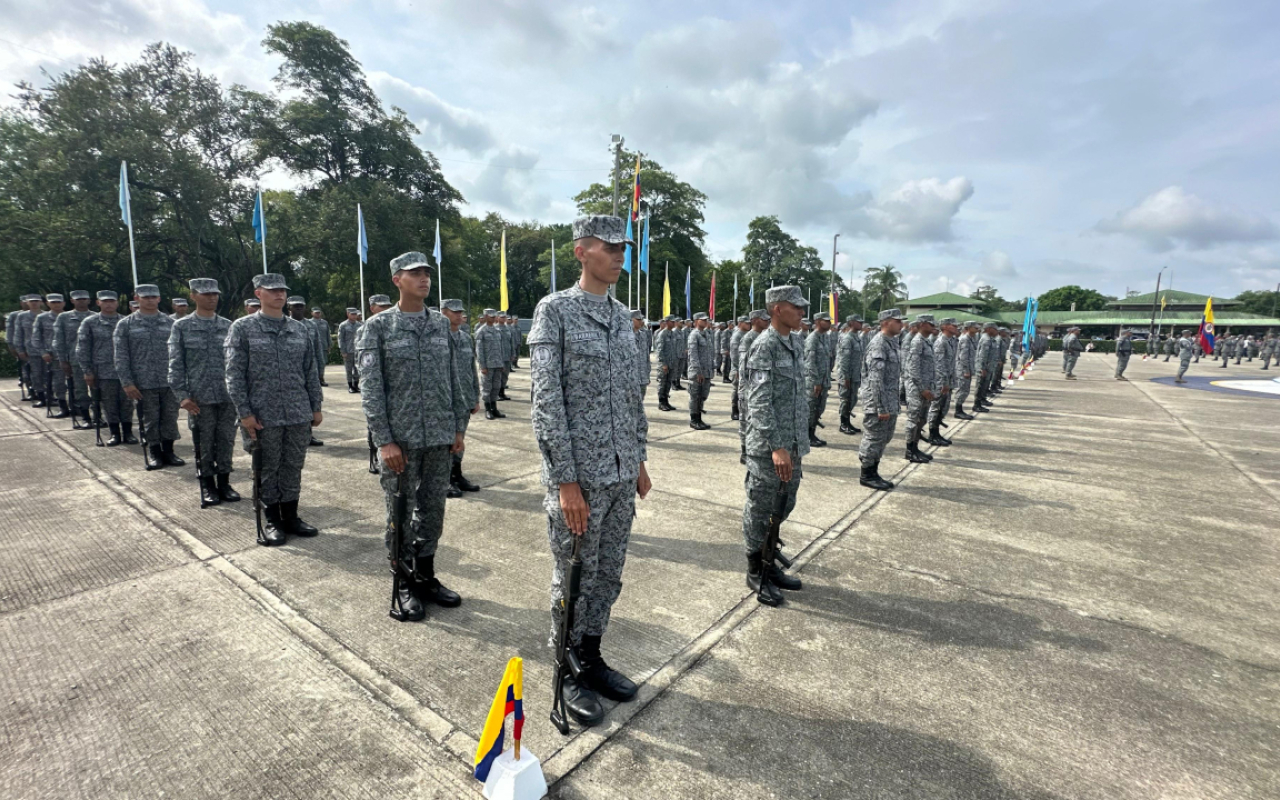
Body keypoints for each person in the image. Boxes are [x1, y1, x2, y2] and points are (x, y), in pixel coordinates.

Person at [528, 214, 650, 729]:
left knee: (607, 575)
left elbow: (631, 392)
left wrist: (639, 459)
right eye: (610, 248)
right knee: (574, 576)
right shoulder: (554, 311)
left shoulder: (623, 317)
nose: (620, 257)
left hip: (621, 473)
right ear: (582, 252)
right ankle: (566, 669)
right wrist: (566, 482)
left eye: (623, 250)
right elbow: (547, 402)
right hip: (579, 478)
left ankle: (592, 657)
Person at [359, 253, 469, 617]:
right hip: (400, 442)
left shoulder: (440, 325)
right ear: (396, 281)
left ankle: (426, 575)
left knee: (433, 511)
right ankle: (404, 581)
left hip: (439, 436)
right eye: (415, 273)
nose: (424, 278)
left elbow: (452, 378)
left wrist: (457, 427)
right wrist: (384, 440)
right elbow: (372, 389)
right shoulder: (377, 328)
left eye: (426, 273)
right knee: (400, 513)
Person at [225, 273, 324, 546]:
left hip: (297, 412)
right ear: (259, 294)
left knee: (293, 465)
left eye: (282, 290)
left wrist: (315, 406)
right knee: (267, 468)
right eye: (272, 291)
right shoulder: (243, 328)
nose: (279, 295)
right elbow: (234, 374)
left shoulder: (299, 329)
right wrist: (244, 412)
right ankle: (271, 520)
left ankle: (291, 516)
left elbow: (310, 371)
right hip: (262, 414)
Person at [740, 286, 808, 607]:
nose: (802, 313)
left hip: (792, 444)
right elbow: (759, 403)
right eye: (797, 308)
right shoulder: (763, 346)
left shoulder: (795, 342)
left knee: (784, 505)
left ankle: (770, 558)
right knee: (761, 507)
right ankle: (756, 570)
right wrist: (777, 446)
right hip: (769, 447)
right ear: (778, 309)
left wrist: (794, 444)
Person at [169, 278, 239, 505]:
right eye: (206, 294)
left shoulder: (228, 325)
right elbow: (176, 363)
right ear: (193, 296)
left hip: (227, 396)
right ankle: (207, 485)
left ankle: (224, 483)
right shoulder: (181, 326)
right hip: (199, 397)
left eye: (215, 294)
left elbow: (238, 363)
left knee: (227, 440)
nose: (212, 298)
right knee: (204, 443)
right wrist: (182, 396)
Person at [115, 284, 184, 470]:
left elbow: (180, 353)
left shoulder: (171, 323)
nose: (150, 300)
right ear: (136, 298)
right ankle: (154, 451)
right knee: (150, 418)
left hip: (169, 380)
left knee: (170, 416)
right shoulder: (126, 324)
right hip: (143, 382)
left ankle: (169, 451)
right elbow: (121, 356)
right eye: (145, 297)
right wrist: (127, 382)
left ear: (159, 299)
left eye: (154, 297)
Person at [77, 291, 137, 445]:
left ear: (117, 303)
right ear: (98, 303)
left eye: (112, 301)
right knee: (109, 404)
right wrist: (87, 371)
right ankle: (115, 433)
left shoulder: (127, 321)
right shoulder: (90, 322)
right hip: (103, 371)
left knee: (127, 403)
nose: (109, 304)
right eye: (105, 301)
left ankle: (128, 432)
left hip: (125, 371)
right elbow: (83, 348)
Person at [859, 309, 904, 491]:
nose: (901, 324)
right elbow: (875, 379)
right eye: (897, 321)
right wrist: (881, 407)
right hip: (878, 402)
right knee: (874, 437)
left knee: (884, 437)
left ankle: (874, 471)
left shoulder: (891, 343)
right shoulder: (879, 344)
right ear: (885, 322)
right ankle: (866, 474)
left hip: (889, 399)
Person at [442, 299, 482, 498]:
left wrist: (475, 396)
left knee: (460, 438)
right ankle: (445, 479)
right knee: (446, 440)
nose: (459, 315)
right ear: (443, 312)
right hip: (444, 397)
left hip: (464, 398)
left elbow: (471, 369)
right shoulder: (438, 338)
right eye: (454, 312)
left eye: (460, 312)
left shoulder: (466, 338)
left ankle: (457, 475)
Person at [52, 290, 94, 427]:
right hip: (75, 360)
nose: (81, 301)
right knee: (80, 389)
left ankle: (98, 416)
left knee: (98, 390)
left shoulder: (96, 316)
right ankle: (86, 417)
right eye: (78, 299)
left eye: (84, 299)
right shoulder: (64, 317)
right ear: (72, 301)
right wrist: (63, 360)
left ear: (89, 300)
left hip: (97, 360)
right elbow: (59, 340)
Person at [288, 297, 326, 446]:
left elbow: (317, 348)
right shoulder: (284, 324)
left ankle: (308, 435)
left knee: (310, 406)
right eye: (295, 306)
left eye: (301, 306)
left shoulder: (311, 326)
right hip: (291, 373)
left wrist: (320, 369)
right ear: (289, 308)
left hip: (309, 372)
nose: (298, 309)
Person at [902, 314, 937, 464]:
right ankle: (909, 450)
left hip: (925, 387)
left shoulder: (926, 341)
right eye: (930, 324)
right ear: (922, 324)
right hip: (917, 388)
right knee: (914, 419)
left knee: (922, 418)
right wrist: (922, 389)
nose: (933, 326)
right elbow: (913, 369)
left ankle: (915, 447)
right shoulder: (917, 342)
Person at [737, 309, 769, 463]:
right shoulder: (748, 338)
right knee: (746, 422)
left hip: (758, 389)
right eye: (763, 319)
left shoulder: (763, 337)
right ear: (755, 320)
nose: (767, 321)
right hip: (748, 389)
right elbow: (744, 368)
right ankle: (745, 452)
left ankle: (753, 450)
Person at [32, 293, 70, 418]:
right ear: (48, 304)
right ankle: (63, 407)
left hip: (73, 356)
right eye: (53, 302)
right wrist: (43, 352)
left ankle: (77, 406)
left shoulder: (70, 316)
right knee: (58, 383)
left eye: (59, 302)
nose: (56, 304)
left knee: (76, 383)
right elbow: (36, 338)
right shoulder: (42, 318)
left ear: (64, 303)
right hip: (54, 356)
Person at [927, 318, 957, 446]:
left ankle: (937, 432)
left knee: (943, 408)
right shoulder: (941, 342)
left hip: (947, 380)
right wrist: (944, 382)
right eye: (952, 325)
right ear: (944, 327)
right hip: (941, 381)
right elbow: (939, 365)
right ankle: (932, 434)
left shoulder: (950, 341)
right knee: (936, 407)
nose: (956, 326)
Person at [13, 295, 45, 407]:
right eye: (32, 302)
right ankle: (40, 396)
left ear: (41, 302)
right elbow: (18, 334)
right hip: (30, 351)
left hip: (47, 350)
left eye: (36, 301)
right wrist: (20, 350)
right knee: (35, 375)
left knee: (50, 375)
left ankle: (51, 396)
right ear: (27, 303)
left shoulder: (47, 315)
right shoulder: (22, 316)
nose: (34, 303)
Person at [836, 314, 865, 435]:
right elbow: (844, 360)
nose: (861, 324)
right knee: (846, 400)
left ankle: (848, 422)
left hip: (855, 375)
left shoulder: (856, 337)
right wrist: (845, 377)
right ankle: (843, 424)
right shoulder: (848, 338)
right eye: (858, 322)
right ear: (851, 323)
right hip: (848, 376)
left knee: (852, 399)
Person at [475, 309, 507, 420]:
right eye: (491, 316)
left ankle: (494, 408)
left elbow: (500, 348)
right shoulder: (481, 331)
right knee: (486, 388)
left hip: (497, 364)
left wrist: (502, 362)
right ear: (485, 316)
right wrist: (482, 366)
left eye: (494, 316)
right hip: (488, 365)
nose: (493, 318)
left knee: (496, 387)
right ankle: (487, 409)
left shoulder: (497, 331)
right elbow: (479, 350)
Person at [686, 312, 715, 430]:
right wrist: (698, 372)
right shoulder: (694, 335)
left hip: (706, 371)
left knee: (703, 395)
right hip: (697, 373)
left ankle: (699, 418)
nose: (705, 321)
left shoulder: (706, 334)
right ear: (696, 321)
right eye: (702, 320)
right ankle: (694, 419)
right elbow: (693, 355)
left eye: (706, 320)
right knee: (695, 396)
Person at [953, 320, 978, 420]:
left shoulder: (971, 339)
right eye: (974, 327)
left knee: (965, 390)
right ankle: (958, 411)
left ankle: (960, 409)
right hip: (963, 370)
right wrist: (966, 370)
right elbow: (963, 357)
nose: (977, 328)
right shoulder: (965, 339)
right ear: (968, 328)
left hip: (968, 369)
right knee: (962, 390)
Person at [655, 316, 680, 412]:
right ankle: (661, 402)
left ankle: (666, 401)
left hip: (672, 363)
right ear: (667, 322)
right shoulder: (662, 334)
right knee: (662, 383)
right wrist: (664, 364)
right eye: (672, 322)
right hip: (664, 364)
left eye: (674, 322)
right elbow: (660, 350)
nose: (674, 323)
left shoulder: (672, 334)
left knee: (668, 383)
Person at [728, 316, 749, 420]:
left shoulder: (746, 335)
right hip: (737, 368)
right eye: (746, 323)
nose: (748, 324)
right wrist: (736, 368)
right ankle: (734, 410)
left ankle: (742, 410)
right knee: (736, 389)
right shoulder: (737, 336)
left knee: (743, 390)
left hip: (746, 367)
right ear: (740, 323)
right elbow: (734, 354)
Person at [338, 308, 363, 392]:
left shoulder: (359, 325)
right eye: (352, 314)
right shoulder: (343, 325)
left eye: (355, 314)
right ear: (348, 314)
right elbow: (341, 339)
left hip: (357, 351)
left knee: (357, 369)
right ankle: (350, 386)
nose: (354, 316)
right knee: (348, 369)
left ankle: (356, 385)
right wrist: (343, 351)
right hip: (348, 351)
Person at [632, 311, 651, 401]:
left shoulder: (643, 335)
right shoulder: (624, 336)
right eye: (638, 319)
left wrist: (647, 374)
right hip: (631, 378)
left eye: (641, 319)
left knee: (641, 400)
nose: (641, 322)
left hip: (643, 376)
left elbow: (646, 355)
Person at [310, 307, 332, 387]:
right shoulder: (309, 323)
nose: (317, 314)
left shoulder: (324, 323)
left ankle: (321, 379)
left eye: (319, 312)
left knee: (322, 364)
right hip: (312, 347)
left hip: (323, 347)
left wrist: (329, 345)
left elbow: (328, 335)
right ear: (312, 313)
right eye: (316, 313)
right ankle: (314, 380)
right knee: (313, 364)